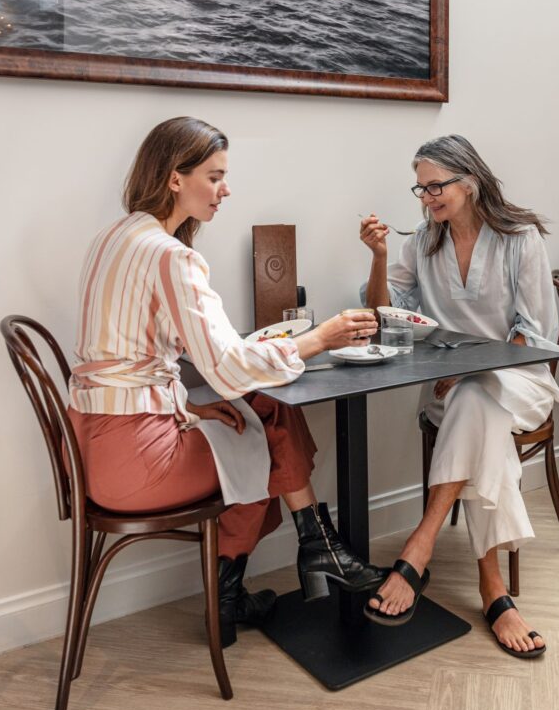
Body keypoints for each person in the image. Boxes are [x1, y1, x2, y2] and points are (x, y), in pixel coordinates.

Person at [69, 116, 386, 647]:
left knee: (260, 413)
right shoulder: (170, 256)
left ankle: (258, 581)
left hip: (92, 443)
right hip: (134, 462)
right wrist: (320, 338)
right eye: (214, 176)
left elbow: (125, 359)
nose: (225, 189)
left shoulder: (114, 237)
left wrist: (189, 408)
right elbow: (229, 368)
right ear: (175, 178)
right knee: (262, 435)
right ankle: (310, 549)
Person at [360, 134, 559, 658]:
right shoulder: (421, 243)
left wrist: (473, 366)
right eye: (421, 188)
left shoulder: (520, 238)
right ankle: (494, 590)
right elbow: (385, 316)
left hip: (522, 381)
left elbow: (536, 334)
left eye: (436, 186)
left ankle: (419, 544)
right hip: (454, 394)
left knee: (476, 395)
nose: (426, 198)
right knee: (476, 405)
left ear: (469, 182)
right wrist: (379, 257)